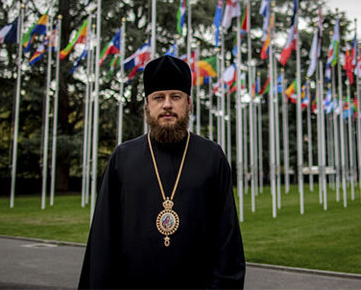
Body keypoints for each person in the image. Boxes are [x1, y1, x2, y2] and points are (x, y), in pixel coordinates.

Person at [79, 55, 245, 289]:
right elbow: (104, 238)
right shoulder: (123, 158)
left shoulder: (211, 156)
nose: (167, 104)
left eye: (175, 97)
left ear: (189, 104)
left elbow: (227, 240)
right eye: (159, 97)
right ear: (147, 106)